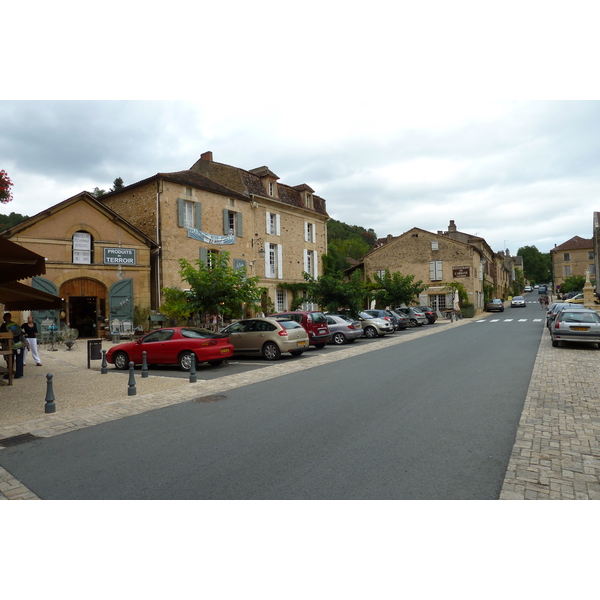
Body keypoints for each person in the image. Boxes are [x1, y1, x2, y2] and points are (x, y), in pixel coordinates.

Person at [1, 312, 28, 380]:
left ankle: (9, 373)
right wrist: (26, 343)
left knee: (10, 360)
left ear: (5, 318)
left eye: (4, 317)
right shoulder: (15, 324)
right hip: (19, 344)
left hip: (11, 346)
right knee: (19, 360)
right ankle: (19, 374)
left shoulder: (4, 326)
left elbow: (2, 336)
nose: (3, 318)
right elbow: (22, 334)